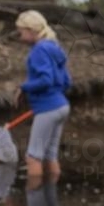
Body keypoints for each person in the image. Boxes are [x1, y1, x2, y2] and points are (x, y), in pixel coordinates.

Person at [14, 11, 71, 186]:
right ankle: (51, 205)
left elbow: (46, 79)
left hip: (48, 109)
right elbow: (66, 81)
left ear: (31, 31)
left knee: (33, 157)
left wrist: (23, 87)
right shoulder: (53, 47)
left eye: (22, 31)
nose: (21, 36)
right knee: (50, 155)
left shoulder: (39, 50)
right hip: (61, 106)